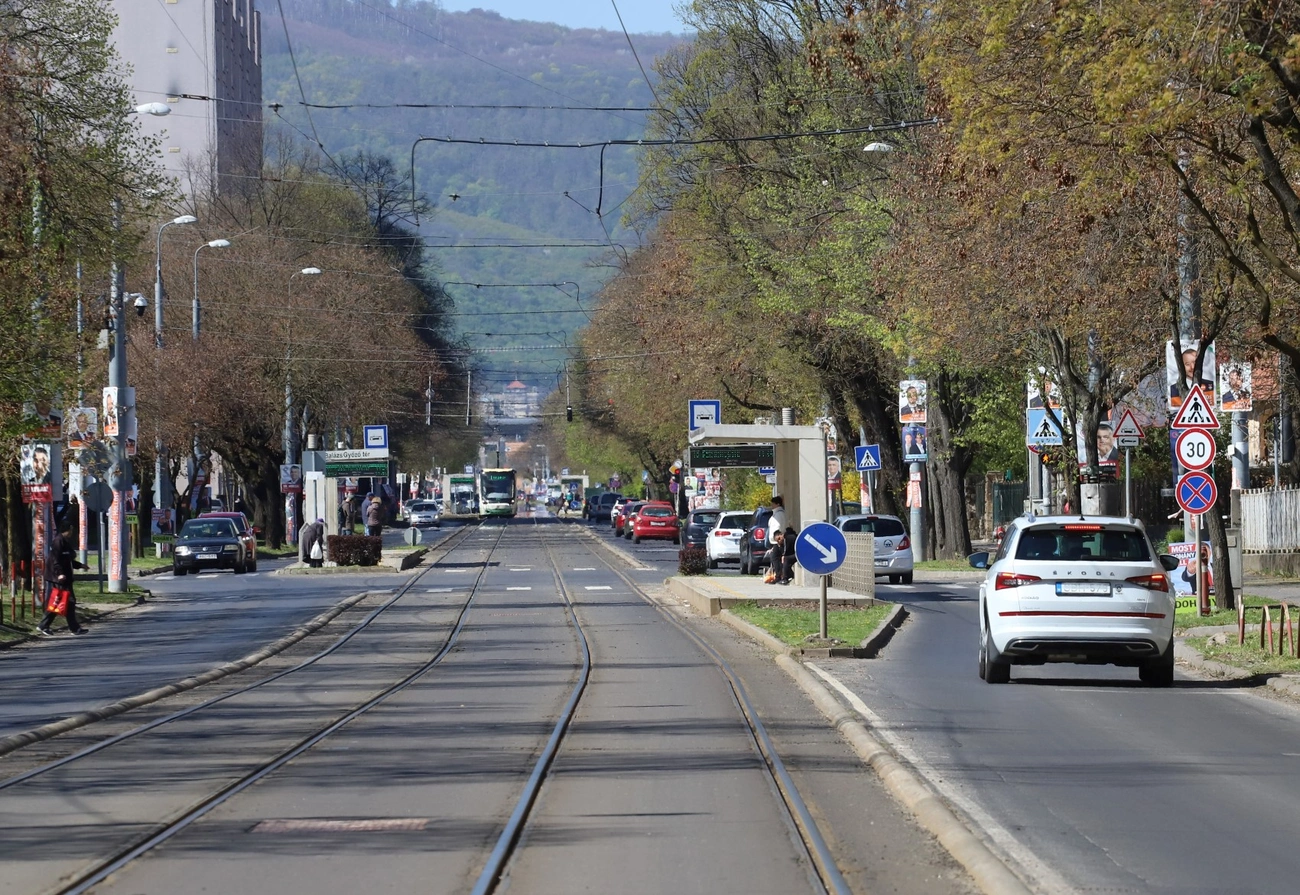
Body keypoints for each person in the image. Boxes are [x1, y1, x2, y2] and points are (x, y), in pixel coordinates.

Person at [37, 524, 88, 636]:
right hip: (59, 577)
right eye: (71, 530)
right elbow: (55, 560)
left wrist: (80, 565)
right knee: (66, 600)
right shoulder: (58, 541)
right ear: (66, 530)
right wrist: (60, 574)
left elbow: (67, 559)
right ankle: (45, 625)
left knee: (64, 601)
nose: (72, 532)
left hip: (65, 577)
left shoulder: (65, 542)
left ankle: (72, 628)